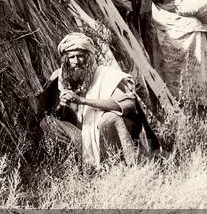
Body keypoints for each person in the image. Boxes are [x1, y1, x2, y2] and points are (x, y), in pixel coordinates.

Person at [37, 33, 158, 169]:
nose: (76, 61)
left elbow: (128, 104)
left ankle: (128, 164)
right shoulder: (61, 79)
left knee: (111, 118)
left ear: (89, 57)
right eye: (71, 57)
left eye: (80, 56)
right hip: (80, 137)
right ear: (66, 60)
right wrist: (62, 105)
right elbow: (54, 113)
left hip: (103, 133)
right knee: (47, 123)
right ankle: (71, 169)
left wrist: (84, 101)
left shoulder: (107, 75)